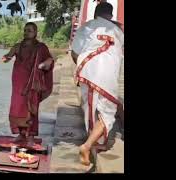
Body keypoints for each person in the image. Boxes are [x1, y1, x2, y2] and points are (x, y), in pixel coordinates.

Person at [71, 2, 124, 165]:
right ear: (111, 14)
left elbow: (74, 52)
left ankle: (93, 141)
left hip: (87, 71)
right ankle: (88, 146)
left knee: (90, 108)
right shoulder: (117, 31)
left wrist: (82, 68)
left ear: (95, 13)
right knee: (107, 112)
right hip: (107, 74)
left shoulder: (86, 27)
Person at [2, 22, 54, 146]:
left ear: (35, 32)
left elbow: (50, 59)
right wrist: (5, 58)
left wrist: (44, 64)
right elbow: (8, 56)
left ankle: (30, 136)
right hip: (18, 82)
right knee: (17, 107)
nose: (26, 33)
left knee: (31, 108)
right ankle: (21, 134)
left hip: (33, 83)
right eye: (25, 30)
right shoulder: (17, 46)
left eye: (29, 30)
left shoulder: (41, 47)